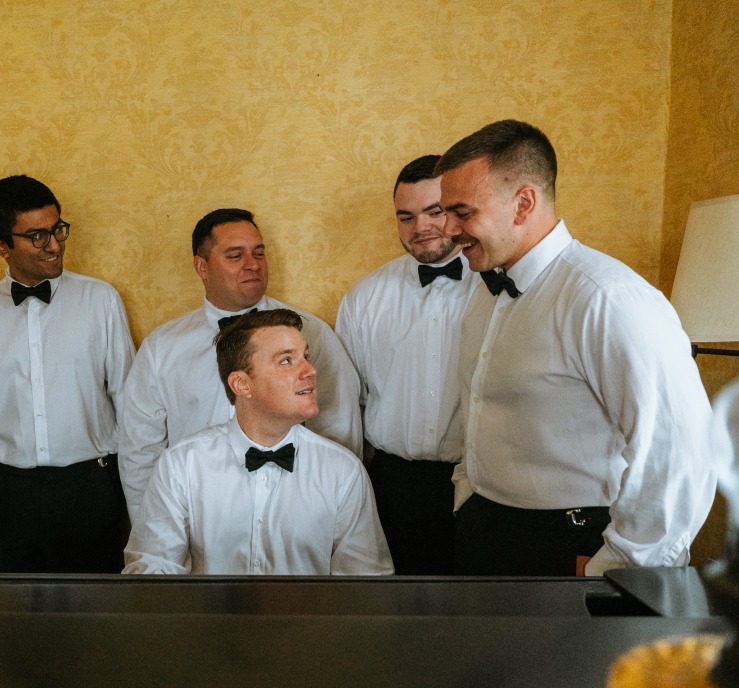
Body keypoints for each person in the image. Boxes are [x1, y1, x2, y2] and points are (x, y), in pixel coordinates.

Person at [434, 119, 715, 576]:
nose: (446, 229)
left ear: (523, 203)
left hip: (575, 545)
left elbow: (681, 448)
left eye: (462, 212)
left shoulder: (607, 299)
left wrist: (619, 568)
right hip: (486, 531)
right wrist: (468, 495)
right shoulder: (483, 294)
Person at [118, 208, 362, 519]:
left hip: (294, 513)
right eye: (235, 255)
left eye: (259, 253)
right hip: (197, 513)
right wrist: (149, 527)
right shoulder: (161, 348)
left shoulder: (312, 332)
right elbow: (140, 450)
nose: (253, 264)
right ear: (201, 267)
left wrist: (331, 514)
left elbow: (341, 428)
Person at [0, 175, 135, 572]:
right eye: (37, 236)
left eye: (57, 230)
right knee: (15, 623)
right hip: (11, 493)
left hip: (92, 488)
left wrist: (140, 498)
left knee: (98, 620)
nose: (54, 245)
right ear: (0, 245)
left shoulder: (100, 299)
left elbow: (128, 400)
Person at [123, 309, 393, 576]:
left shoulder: (343, 471)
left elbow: (365, 583)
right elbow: (151, 571)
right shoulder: (181, 465)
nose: (310, 370)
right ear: (241, 384)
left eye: (306, 357)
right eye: (286, 361)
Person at [336, 155, 473, 574]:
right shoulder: (363, 298)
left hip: (479, 483)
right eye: (406, 216)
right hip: (393, 487)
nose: (420, 228)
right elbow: (347, 402)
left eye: (434, 212)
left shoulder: (498, 288)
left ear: (457, 211)